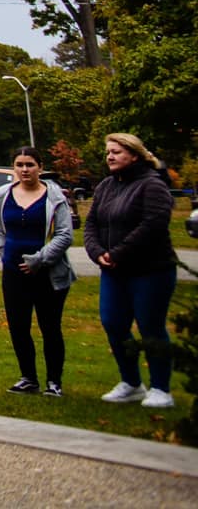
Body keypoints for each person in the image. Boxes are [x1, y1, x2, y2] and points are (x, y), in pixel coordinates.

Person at [84, 133, 176, 408]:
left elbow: (153, 224)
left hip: (151, 270)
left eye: (117, 152)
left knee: (151, 326)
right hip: (113, 272)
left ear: (134, 155)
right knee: (113, 323)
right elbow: (91, 224)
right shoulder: (106, 186)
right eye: (108, 152)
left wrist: (118, 253)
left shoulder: (152, 185)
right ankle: (131, 382)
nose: (110, 156)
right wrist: (97, 252)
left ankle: (161, 388)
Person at [0, 143, 75, 397]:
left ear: (40, 167)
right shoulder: (3, 195)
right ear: (13, 168)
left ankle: (54, 381)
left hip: (47, 272)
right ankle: (28, 377)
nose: (25, 170)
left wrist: (40, 259)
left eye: (30, 165)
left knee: (50, 327)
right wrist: (2, 248)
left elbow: (65, 234)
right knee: (18, 327)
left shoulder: (54, 197)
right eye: (19, 165)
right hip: (13, 272)